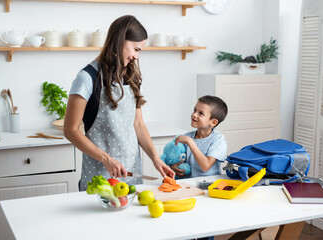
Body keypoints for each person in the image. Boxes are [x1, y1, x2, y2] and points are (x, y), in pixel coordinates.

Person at [64, 15, 175, 191]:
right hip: (99, 175)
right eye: (135, 49)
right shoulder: (87, 78)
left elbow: (137, 124)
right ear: (119, 40)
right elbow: (70, 130)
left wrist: (155, 158)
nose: (137, 57)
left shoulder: (132, 76)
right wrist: (106, 159)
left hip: (131, 172)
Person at [171, 95, 228, 178]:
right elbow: (177, 159)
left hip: (207, 185)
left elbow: (206, 166)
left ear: (213, 122)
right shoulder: (186, 137)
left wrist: (190, 142)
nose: (194, 114)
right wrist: (173, 167)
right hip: (188, 185)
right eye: (195, 110)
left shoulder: (218, 139)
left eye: (201, 113)